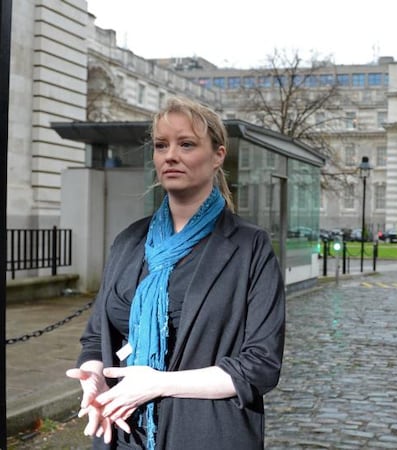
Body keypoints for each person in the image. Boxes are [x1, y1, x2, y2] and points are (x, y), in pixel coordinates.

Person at [66, 96, 286, 449]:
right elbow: (96, 337)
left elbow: (260, 366)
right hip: (123, 433)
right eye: (161, 145)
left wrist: (157, 384)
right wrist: (93, 375)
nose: (170, 155)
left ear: (218, 155)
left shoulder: (249, 247)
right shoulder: (129, 241)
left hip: (206, 434)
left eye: (186, 144)